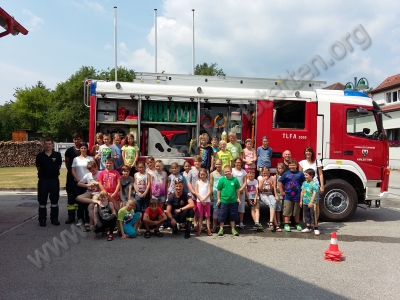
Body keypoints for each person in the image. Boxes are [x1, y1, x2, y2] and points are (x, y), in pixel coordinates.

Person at [36, 139, 62, 227]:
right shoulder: (40, 156)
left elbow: (58, 166)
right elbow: (38, 167)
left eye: (49, 144)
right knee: (42, 200)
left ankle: (54, 218)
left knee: (54, 200)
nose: (47, 146)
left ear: (52, 145)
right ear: (44, 145)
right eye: (46, 144)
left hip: (54, 179)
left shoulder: (57, 155)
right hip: (43, 180)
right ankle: (42, 219)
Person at [298, 146, 324, 236]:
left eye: (309, 151)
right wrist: (302, 187)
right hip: (306, 187)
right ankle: (308, 226)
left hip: (315, 186)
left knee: (315, 208)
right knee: (306, 209)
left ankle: (316, 226)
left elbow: (320, 174)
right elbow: (300, 176)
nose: (308, 153)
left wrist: (322, 186)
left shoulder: (317, 162)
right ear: (304, 153)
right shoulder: (302, 163)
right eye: (306, 151)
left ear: (312, 152)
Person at [71, 142, 94, 228]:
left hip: (88, 183)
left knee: (87, 202)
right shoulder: (75, 159)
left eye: (85, 148)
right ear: (79, 149)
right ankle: (80, 219)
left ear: (87, 149)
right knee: (79, 201)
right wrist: (78, 179)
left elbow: (93, 170)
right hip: (78, 182)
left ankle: (87, 219)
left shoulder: (90, 158)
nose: (83, 150)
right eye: (82, 148)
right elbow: (73, 170)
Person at [278, 158, 305, 232]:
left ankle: (297, 223)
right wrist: (281, 191)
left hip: (297, 196)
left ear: (296, 165)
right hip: (288, 196)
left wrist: (303, 193)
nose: (291, 167)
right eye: (290, 165)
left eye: (293, 165)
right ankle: (286, 224)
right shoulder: (286, 173)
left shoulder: (300, 174)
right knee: (287, 211)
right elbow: (280, 182)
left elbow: (304, 183)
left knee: (296, 211)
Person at [216, 165, 241, 236]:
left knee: (232, 215)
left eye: (228, 171)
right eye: (225, 172)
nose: (227, 173)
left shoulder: (235, 180)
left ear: (231, 171)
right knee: (222, 215)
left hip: (233, 201)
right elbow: (218, 190)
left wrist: (238, 198)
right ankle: (221, 229)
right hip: (223, 201)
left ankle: (233, 229)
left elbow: (237, 190)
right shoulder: (222, 180)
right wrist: (218, 199)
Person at [76, 161, 101, 230]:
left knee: (90, 206)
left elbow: (104, 183)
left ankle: (91, 224)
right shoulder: (88, 175)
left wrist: (97, 183)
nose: (92, 171)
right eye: (90, 170)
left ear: (96, 167)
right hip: (89, 192)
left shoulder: (100, 173)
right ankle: (95, 201)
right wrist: (87, 185)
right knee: (78, 198)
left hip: (97, 193)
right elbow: (79, 183)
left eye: (93, 170)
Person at [64, 132, 82, 224]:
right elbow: (67, 164)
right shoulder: (69, 151)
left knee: (79, 197)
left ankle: (80, 217)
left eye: (78, 139)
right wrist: (72, 172)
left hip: (81, 177)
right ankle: (71, 217)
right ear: (73, 140)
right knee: (71, 197)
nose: (76, 141)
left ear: (81, 139)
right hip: (71, 177)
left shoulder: (83, 149)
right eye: (75, 139)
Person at [258, 166, 280, 232]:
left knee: (274, 202)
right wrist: (262, 181)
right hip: (263, 194)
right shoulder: (259, 178)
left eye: (267, 173)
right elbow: (260, 189)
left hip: (270, 193)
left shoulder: (272, 178)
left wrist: (270, 183)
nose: (265, 174)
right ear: (262, 173)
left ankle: (271, 222)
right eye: (264, 173)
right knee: (271, 204)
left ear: (269, 173)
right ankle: (274, 224)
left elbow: (272, 189)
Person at [299, 169, 319, 233]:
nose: (305, 176)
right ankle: (308, 227)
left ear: (311, 175)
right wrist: (301, 201)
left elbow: (314, 193)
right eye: (305, 175)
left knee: (313, 215)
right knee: (306, 215)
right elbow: (302, 192)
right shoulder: (304, 183)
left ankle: (316, 228)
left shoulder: (314, 184)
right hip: (305, 202)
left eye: (306, 175)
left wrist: (311, 202)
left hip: (312, 203)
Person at [195, 168, 212, 236]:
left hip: (207, 201)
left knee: (207, 216)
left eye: (203, 174)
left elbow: (209, 191)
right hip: (199, 201)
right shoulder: (197, 182)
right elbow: (196, 192)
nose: (202, 176)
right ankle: (200, 228)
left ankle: (208, 229)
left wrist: (204, 199)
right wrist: (201, 199)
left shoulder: (208, 182)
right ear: (199, 175)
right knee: (200, 216)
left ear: (206, 175)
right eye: (201, 174)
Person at [187, 155, 202, 231]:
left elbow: (207, 181)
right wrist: (192, 191)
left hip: (201, 193)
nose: (197, 163)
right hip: (193, 193)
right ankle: (194, 223)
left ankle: (199, 224)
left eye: (199, 161)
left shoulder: (203, 170)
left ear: (201, 162)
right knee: (194, 208)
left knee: (199, 209)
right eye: (196, 161)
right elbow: (188, 182)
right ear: (194, 162)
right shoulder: (191, 171)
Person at [232, 158, 247, 230]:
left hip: (241, 192)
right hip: (233, 191)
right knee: (233, 207)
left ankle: (241, 222)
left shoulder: (244, 172)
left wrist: (241, 189)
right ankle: (233, 222)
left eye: (239, 162)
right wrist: (235, 190)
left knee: (241, 207)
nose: (238, 164)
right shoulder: (232, 171)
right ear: (234, 163)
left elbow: (245, 182)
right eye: (237, 162)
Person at [210, 159, 223, 233]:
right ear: (215, 165)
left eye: (219, 164)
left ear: (222, 164)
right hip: (215, 194)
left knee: (222, 211)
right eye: (216, 164)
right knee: (215, 210)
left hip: (223, 194)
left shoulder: (224, 173)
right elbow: (211, 184)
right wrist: (211, 195)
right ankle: (214, 226)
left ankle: (221, 226)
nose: (218, 166)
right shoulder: (212, 174)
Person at [273, 162, 285, 227]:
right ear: (277, 169)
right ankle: (279, 221)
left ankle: (283, 221)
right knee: (278, 209)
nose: (280, 170)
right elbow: (274, 186)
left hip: (284, 193)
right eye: (279, 168)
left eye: (282, 168)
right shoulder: (276, 176)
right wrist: (276, 195)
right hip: (278, 193)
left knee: (283, 209)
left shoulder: (285, 176)